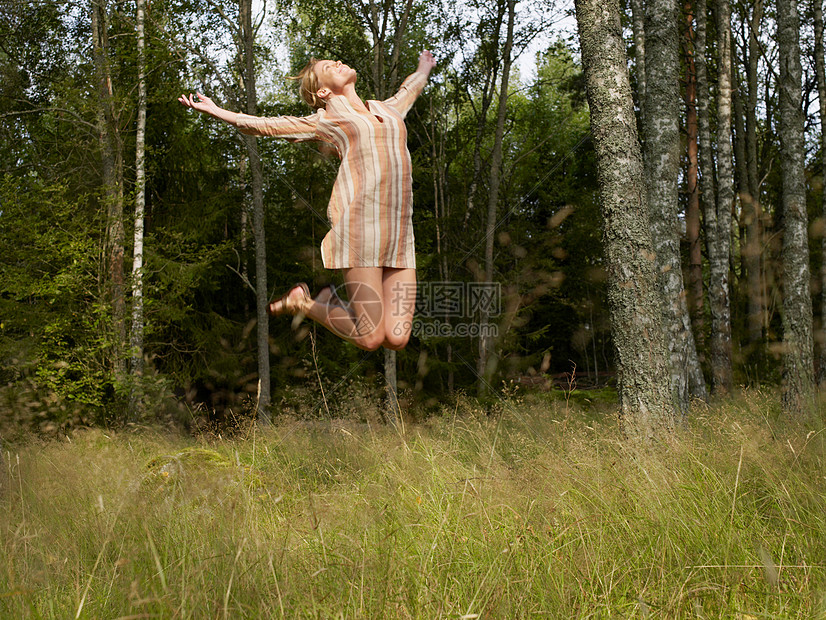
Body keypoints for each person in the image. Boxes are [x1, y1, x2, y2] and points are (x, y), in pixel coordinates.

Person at [179, 51, 436, 352]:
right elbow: (268, 125)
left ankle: (323, 300)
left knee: (397, 338)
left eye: (337, 60)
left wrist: (423, 66)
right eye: (330, 66)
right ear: (324, 91)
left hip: (399, 232)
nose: (339, 62)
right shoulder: (327, 120)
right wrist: (218, 111)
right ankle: (304, 303)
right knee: (370, 338)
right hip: (362, 228)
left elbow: (410, 89)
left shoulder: (388, 109)